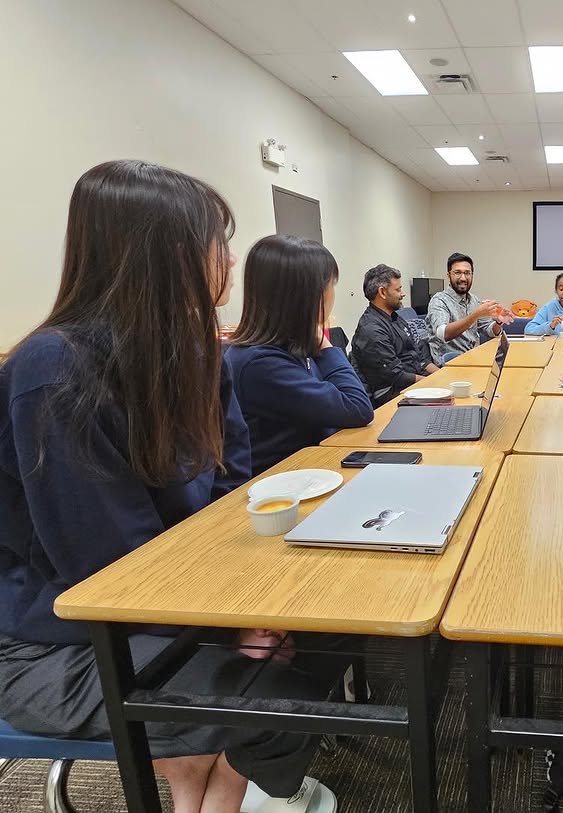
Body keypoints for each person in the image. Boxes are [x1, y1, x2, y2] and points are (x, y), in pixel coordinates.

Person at [0, 161, 340, 813]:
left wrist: (249, 611)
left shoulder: (196, 353)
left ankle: (207, 794)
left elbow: (232, 494)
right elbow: (113, 569)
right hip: (53, 640)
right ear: (166, 254)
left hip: (159, 605)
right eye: (218, 242)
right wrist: (231, 624)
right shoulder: (56, 370)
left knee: (329, 635)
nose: (231, 260)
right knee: (281, 700)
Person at [225, 235, 374, 475]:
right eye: (331, 285)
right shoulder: (261, 363)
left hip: (314, 469)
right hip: (288, 482)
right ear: (311, 296)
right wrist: (324, 344)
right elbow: (358, 407)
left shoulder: (288, 346)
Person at [350, 263, 439, 406]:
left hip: (414, 383)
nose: (403, 294)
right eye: (398, 290)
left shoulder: (395, 318)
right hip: (393, 393)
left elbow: (420, 358)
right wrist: (432, 385)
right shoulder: (371, 330)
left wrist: (440, 376)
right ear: (382, 292)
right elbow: (396, 376)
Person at [426, 252, 511, 363]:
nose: (463, 278)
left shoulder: (474, 300)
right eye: (457, 273)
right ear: (449, 275)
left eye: (467, 273)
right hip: (450, 364)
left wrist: (499, 322)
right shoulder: (439, 300)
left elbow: (489, 331)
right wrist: (475, 315)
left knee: (509, 361)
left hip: (473, 359)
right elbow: (443, 333)